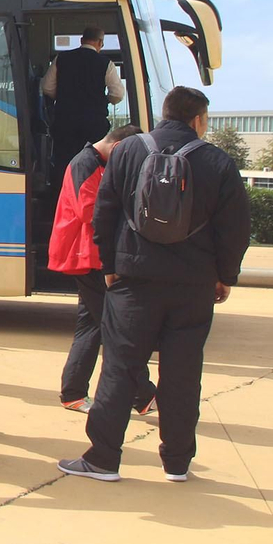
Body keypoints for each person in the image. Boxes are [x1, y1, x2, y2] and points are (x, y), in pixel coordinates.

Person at [59, 86, 250, 483]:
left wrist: (109, 264)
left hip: (133, 279)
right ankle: (177, 463)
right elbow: (235, 228)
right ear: (198, 120)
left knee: (120, 368)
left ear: (164, 113)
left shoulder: (128, 151)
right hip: (193, 285)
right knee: (183, 374)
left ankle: (103, 459)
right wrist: (224, 276)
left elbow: (104, 213)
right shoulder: (218, 161)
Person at [49, 124, 156, 413]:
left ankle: (73, 392)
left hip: (90, 255)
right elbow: (89, 211)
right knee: (116, 327)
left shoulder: (94, 163)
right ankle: (142, 394)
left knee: (93, 326)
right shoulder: (85, 163)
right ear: (119, 147)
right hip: (86, 256)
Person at [44, 26, 126, 189]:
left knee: (64, 163)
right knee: (91, 163)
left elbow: (47, 87)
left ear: (82, 40)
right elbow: (117, 94)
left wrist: (63, 98)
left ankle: (62, 194)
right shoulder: (106, 63)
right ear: (100, 43)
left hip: (65, 121)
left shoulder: (61, 58)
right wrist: (102, 100)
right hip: (93, 124)